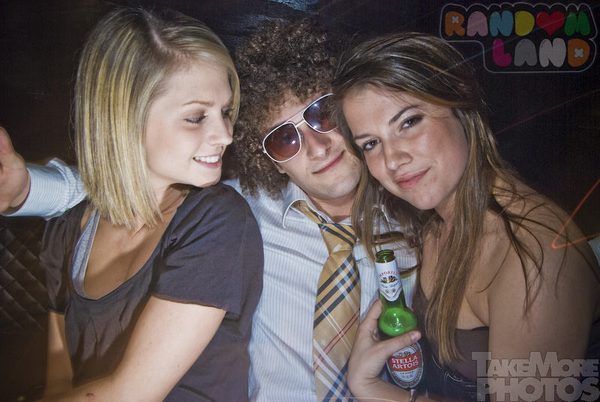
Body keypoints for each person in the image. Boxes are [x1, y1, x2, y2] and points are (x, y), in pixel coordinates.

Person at [0, 19, 415, 401]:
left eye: (322, 115)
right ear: (269, 159)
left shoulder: (421, 219)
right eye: (283, 139)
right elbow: (128, 186)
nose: (318, 148)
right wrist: (27, 190)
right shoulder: (243, 207)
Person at [11, 7, 263, 401]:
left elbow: (129, 394)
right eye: (196, 117)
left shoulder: (217, 221)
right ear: (124, 118)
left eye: (225, 112)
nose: (226, 135)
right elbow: (59, 381)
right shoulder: (69, 227)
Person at [332, 32, 600, 401]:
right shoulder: (430, 221)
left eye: (409, 122)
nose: (393, 160)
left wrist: (374, 390)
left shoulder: (534, 258)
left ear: (459, 100)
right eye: (371, 144)